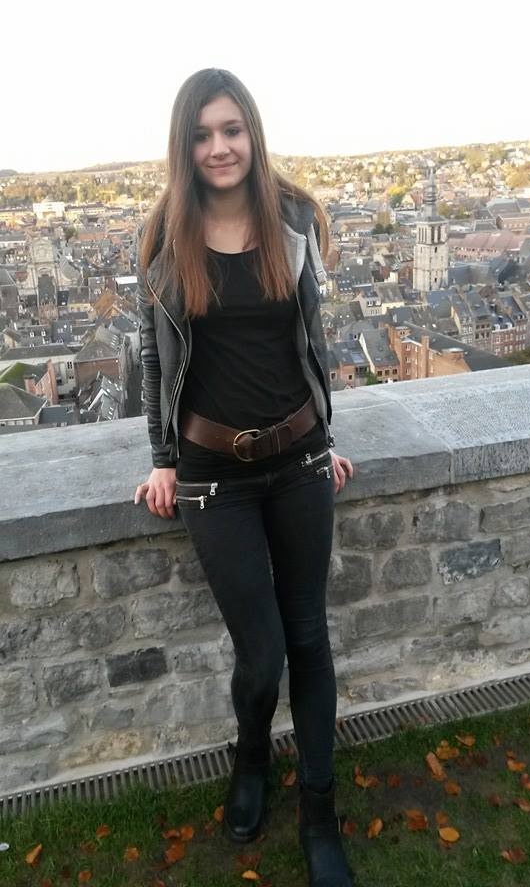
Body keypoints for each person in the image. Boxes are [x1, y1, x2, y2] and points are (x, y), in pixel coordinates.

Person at [134, 68, 354, 887]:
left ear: (252, 134)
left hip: (300, 460)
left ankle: (320, 813)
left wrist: (327, 438)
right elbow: (154, 356)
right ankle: (252, 757)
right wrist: (161, 458)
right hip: (210, 475)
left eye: (232, 130)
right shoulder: (163, 234)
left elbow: (313, 341)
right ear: (184, 146)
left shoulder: (293, 218)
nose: (219, 147)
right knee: (261, 652)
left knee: (310, 639)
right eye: (202, 134)